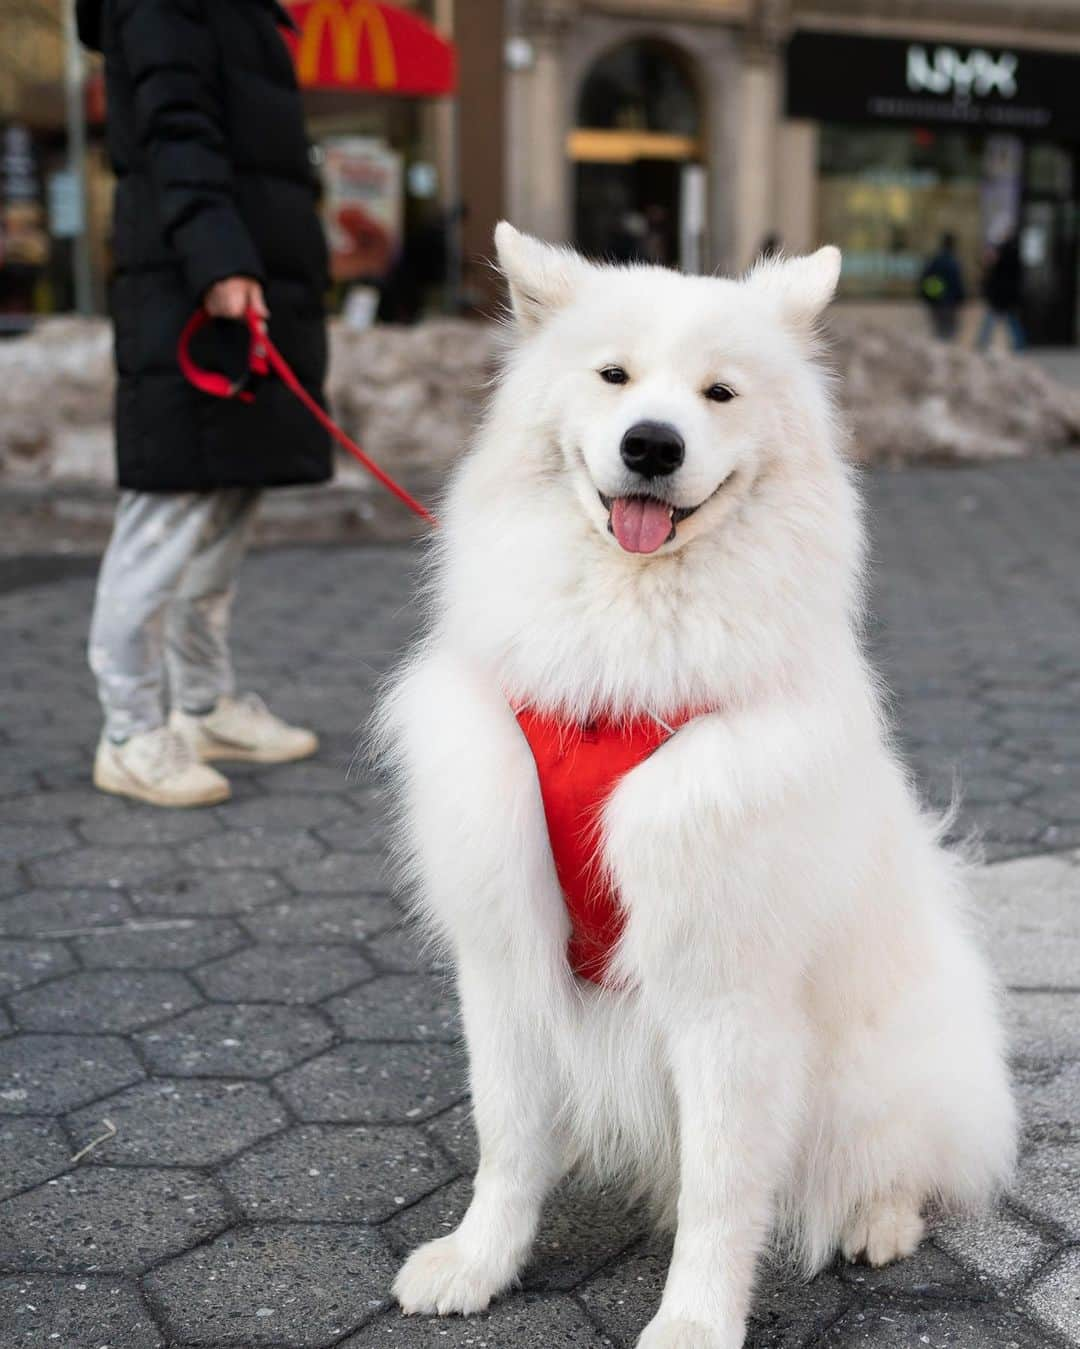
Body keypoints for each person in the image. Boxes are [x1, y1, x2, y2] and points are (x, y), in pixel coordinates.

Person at [77, 0, 332, 807]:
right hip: (197, 284)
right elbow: (174, 124)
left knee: (229, 493)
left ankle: (201, 704)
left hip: (245, 278)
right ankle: (129, 732)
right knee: (168, 507)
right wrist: (219, 257)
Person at [977, 234, 1026, 352]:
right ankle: (1019, 346)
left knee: (991, 321)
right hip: (1008, 297)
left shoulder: (1001, 260)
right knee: (1011, 322)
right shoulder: (1014, 259)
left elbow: (992, 278)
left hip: (999, 297)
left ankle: (982, 344)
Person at [918, 232, 966, 341]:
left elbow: (925, 279)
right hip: (949, 303)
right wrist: (961, 299)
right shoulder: (953, 262)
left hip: (936, 301)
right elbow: (957, 283)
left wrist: (928, 297)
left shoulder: (934, 260)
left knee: (939, 333)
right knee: (949, 334)